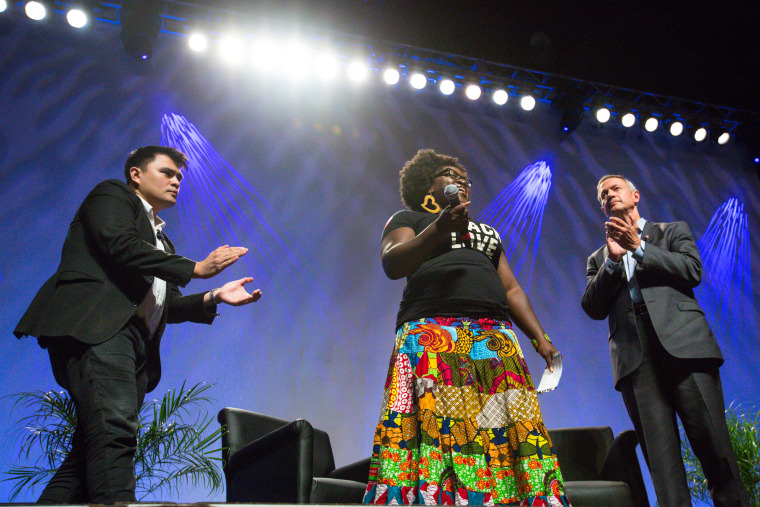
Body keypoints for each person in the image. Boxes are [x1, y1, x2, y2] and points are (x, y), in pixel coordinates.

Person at [14, 146, 262, 504]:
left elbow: (167, 305)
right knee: (115, 433)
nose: (177, 180)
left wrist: (214, 296)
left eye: (180, 176)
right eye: (167, 173)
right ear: (136, 174)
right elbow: (117, 244)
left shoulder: (162, 242)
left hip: (131, 345)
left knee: (86, 455)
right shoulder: (113, 195)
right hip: (100, 330)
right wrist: (194, 267)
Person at [364, 149, 570, 506]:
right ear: (426, 185)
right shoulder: (408, 218)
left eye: (464, 178)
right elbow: (393, 262)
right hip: (432, 336)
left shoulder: (487, 233)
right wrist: (439, 228)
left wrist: (540, 338)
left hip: (494, 340)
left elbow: (511, 288)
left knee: (508, 429)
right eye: (448, 173)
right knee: (439, 432)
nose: (460, 180)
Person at [581, 175, 748, 507]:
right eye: (603, 195)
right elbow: (592, 306)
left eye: (615, 189)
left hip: (687, 348)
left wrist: (639, 248)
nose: (609, 196)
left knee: (716, 451)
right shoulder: (599, 258)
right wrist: (614, 260)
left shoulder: (671, 231)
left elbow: (691, 270)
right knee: (664, 468)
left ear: (635, 194)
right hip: (636, 362)